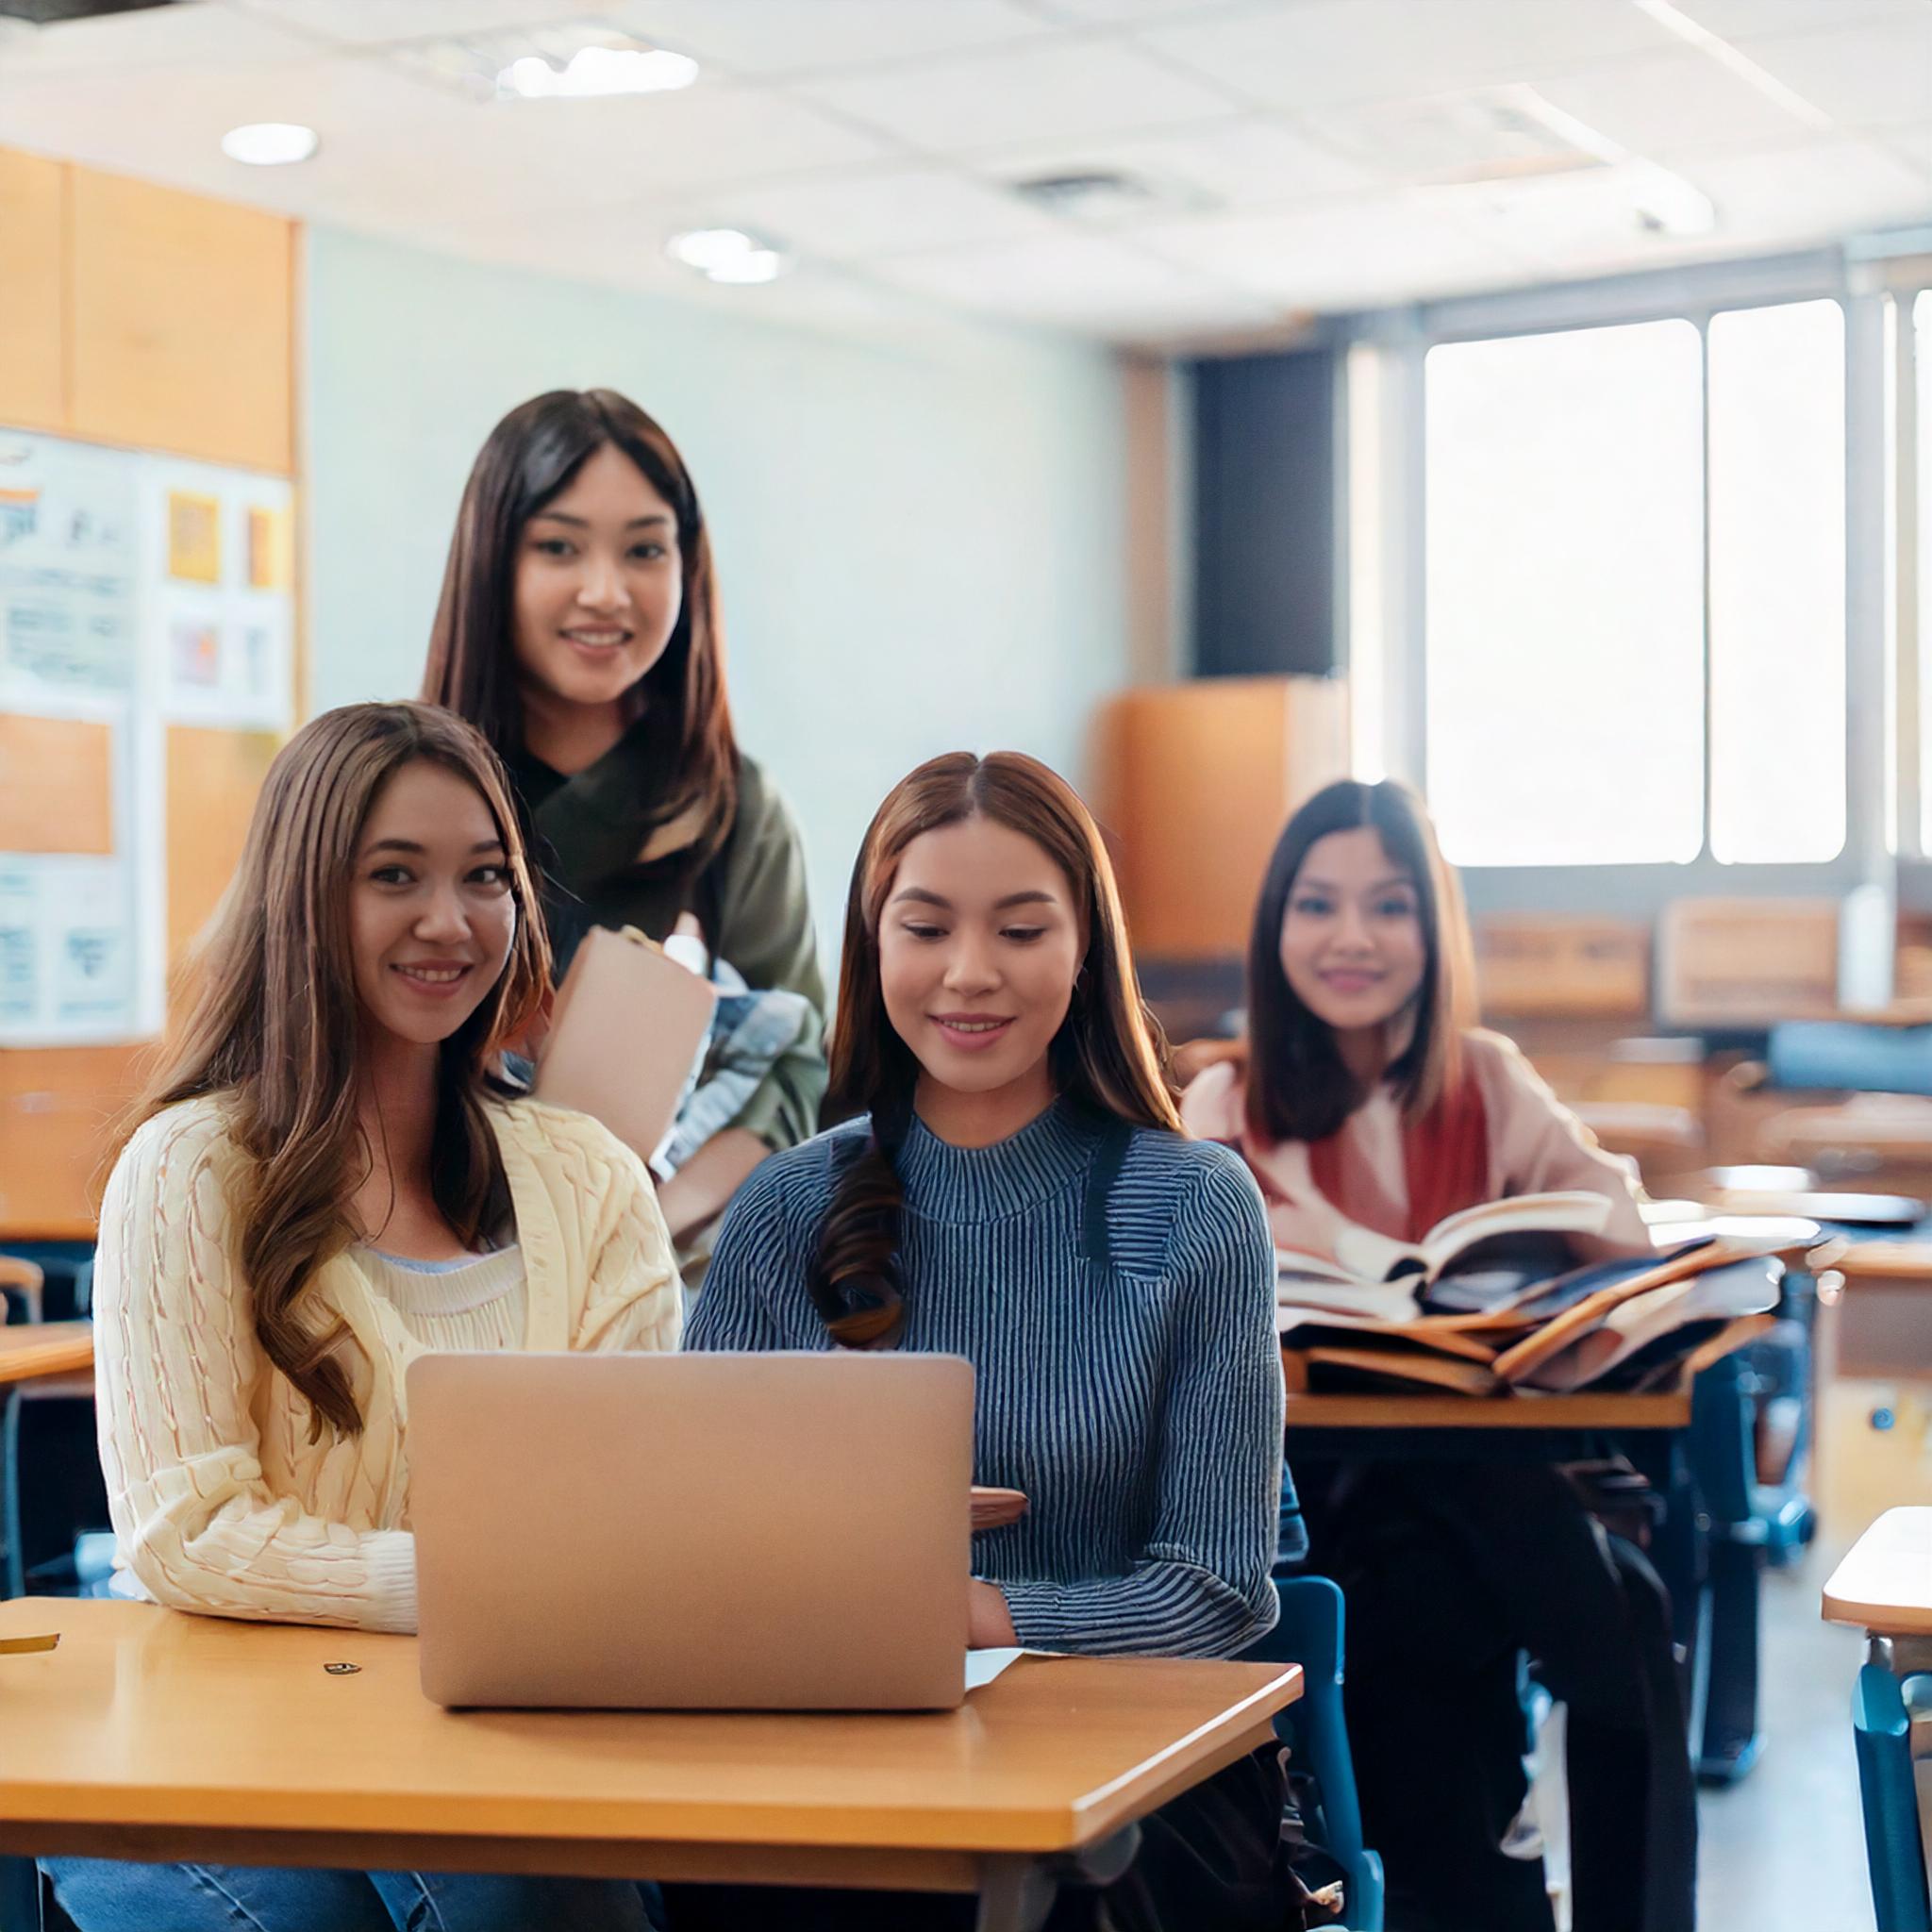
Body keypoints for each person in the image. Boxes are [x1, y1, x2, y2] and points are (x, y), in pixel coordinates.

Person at [45, 702, 678, 1932]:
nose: (450, 921)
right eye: (396, 877)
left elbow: (640, 1506)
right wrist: (490, 1591)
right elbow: (188, 1531)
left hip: (503, 1728)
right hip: (223, 1730)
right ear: (306, 901)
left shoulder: (590, 1175)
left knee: (550, 1903)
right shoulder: (188, 1170)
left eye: (485, 878)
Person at [672, 751, 1307, 1932]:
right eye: (924, 927)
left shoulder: (1194, 1205)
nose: (970, 973)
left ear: (1084, 949)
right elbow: (693, 1551)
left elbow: (1217, 1590)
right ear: (872, 945)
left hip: (1130, 1793)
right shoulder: (786, 1207)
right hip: (830, 1772)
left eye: (1020, 929)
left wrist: (951, 1611)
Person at [1182, 776, 1693, 1932]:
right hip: (1308, 1495)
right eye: (1316, 904)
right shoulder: (1223, 1100)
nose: (1351, 937)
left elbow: (1619, 1230)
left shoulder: (1483, 1078)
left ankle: (1515, 1887)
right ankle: (1505, 1882)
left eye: (1388, 905)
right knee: (1609, 1619)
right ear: (1275, 928)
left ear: (1432, 925)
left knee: (1488, 1596)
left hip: (1466, 1490)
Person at [423, 389, 825, 1259]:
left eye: (645, 549)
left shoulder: (736, 811)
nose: (605, 593)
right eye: (559, 547)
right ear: (495, 561)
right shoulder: (403, 791)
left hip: (677, 1289)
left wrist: (634, 1233)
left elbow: (799, 1069)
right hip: (435, 1275)